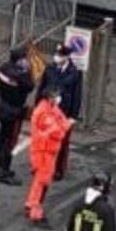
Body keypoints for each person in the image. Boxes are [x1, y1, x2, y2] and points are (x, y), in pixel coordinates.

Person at [25, 86, 73, 226]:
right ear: (50, 97)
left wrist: (64, 124)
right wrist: (65, 125)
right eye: (56, 96)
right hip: (43, 153)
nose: (58, 98)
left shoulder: (50, 108)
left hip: (48, 152)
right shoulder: (43, 113)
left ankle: (30, 204)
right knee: (42, 184)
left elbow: (61, 120)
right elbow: (58, 131)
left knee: (39, 182)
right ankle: (36, 213)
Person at [37, 44, 82, 180]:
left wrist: (73, 116)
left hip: (64, 113)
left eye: (60, 56)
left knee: (61, 143)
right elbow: (42, 88)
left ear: (67, 57)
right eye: (57, 55)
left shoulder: (75, 73)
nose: (57, 57)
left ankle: (58, 169)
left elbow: (77, 95)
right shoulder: (50, 68)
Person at [0, 46, 35, 186]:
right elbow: (30, 86)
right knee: (9, 141)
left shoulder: (3, 69)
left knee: (2, 138)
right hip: (14, 111)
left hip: (3, 107)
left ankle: (1, 164)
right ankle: (4, 171)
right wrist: (27, 70)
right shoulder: (21, 75)